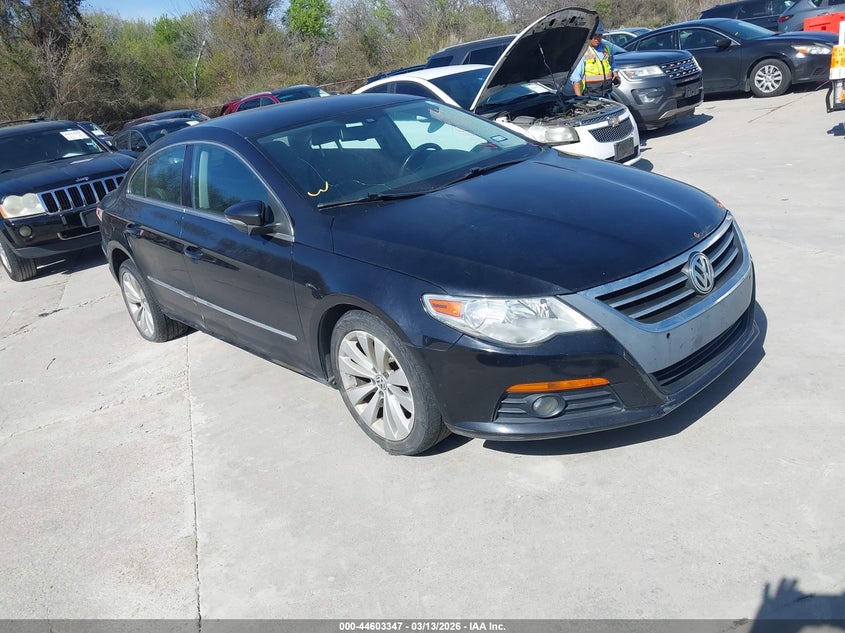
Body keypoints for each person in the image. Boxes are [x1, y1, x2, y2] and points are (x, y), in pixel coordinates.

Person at [571, 27, 619, 98]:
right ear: (588, 36)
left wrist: (616, 76)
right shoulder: (583, 52)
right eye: (594, 35)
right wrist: (579, 99)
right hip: (590, 96)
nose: (597, 38)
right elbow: (576, 79)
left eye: (599, 35)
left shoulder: (606, 49)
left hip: (606, 94)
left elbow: (613, 65)